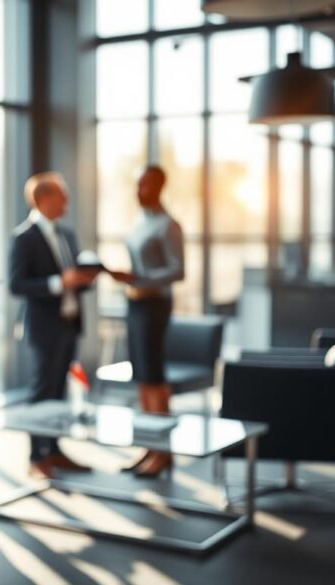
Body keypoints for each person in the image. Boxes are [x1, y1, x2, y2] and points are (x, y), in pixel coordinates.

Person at [8, 172, 100, 480]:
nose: (67, 202)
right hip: (43, 326)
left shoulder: (67, 235)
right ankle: (36, 457)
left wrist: (84, 279)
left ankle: (55, 451)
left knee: (59, 390)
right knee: (42, 391)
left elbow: (73, 276)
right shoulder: (24, 237)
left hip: (69, 323)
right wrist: (58, 282)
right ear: (43, 199)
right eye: (62, 195)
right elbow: (17, 285)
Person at [109, 165, 185, 478]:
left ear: (158, 187)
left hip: (155, 304)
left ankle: (164, 451)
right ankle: (148, 445)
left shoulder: (169, 225)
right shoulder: (140, 221)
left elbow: (179, 270)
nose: (139, 190)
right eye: (137, 184)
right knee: (141, 376)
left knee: (154, 376)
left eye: (145, 185)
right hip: (135, 302)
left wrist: (140, 278)